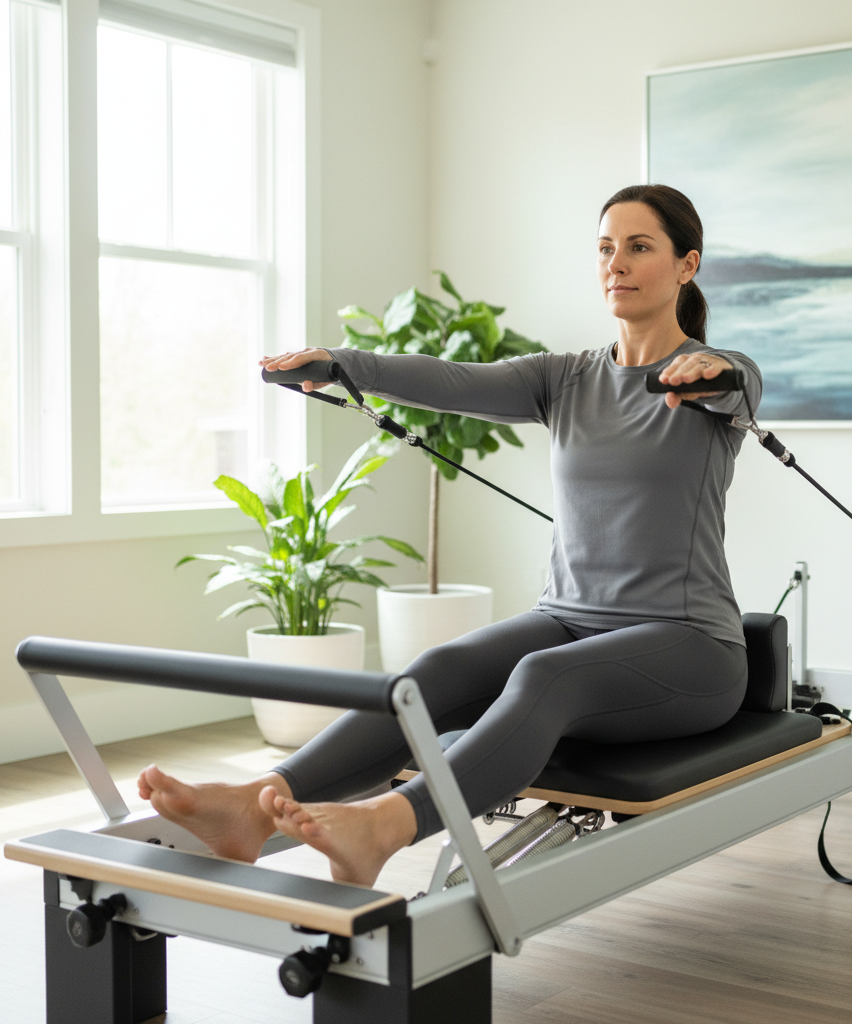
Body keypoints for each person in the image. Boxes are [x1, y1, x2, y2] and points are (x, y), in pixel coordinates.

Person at [138, 184, 762, 887]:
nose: (616, 262)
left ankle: (385, 825)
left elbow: (732, 384)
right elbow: (454, 380)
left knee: (542, 677)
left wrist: (711, 374)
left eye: (639, 247)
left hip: (691, 647)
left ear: (687, 265)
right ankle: (252, 808)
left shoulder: (721, 380)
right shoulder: (566, 379)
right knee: (431, 675)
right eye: (605, 247)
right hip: (569, 618)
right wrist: (340, 365)